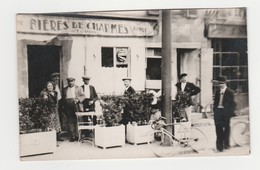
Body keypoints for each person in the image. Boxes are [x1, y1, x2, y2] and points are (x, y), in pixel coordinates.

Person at [213, 76, 236, 152]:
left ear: (225, 83)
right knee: (218, 129)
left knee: (226, 130)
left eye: (222, 83)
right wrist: (215, 111)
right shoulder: (217, 91)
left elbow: (233, 104)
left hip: (226, 113)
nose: (220, 85)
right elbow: (215, 102)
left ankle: (226, 144)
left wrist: (230, 114)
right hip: (218, 113)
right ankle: (219, 147)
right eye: (219, 83)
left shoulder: (230, 92)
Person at [62, 77, 85, 142]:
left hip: (76, 105)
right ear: (68, 82)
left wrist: (78, 99)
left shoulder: (79, 88)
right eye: (69, 81)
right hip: (68, 106)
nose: (71, 83)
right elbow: (63, 98)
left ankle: (78, 136)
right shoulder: (65, 89)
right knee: (70, 120)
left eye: (72, 81)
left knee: (77, 119)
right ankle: (72, 136)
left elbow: (83, 96)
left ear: (74, 81)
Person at [50, 72, 65, 137]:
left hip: (59, 103)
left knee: (59, 119)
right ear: (52, 78)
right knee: (54, 120)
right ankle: (54, 135)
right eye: (55, 78)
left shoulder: (58, 85)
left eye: (57, 77)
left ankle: (58, 134)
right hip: (54, 105)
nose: (56, 79)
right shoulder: (51, 85)